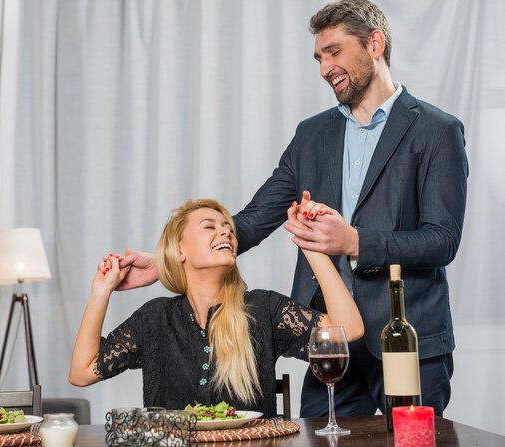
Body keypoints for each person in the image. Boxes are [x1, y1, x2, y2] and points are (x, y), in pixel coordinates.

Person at [114, 0, 468, 418]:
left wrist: (353, 241)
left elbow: (441, 240)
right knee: (316, 440)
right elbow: (255, 217)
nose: (324, 68)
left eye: (334, 52)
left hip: (407, 339)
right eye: (319, 57)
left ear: (375, 44)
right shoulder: (311, 135)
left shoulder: (436, 130)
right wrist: (167, 261)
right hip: (331, 340)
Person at [69, 197, 364, 416]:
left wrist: (310, 241)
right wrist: (101, 291)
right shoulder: (154, 318)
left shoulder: (264, 309)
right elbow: (81, 373)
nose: (226, 233)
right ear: (179, 249)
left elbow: (348, 329)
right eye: (209, 226)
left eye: (228, 229)